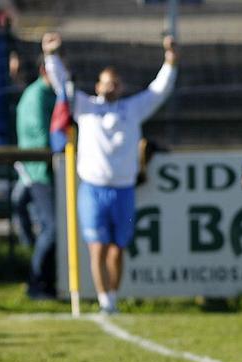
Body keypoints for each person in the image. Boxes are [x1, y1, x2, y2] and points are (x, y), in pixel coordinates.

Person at [42, 32, 178, 313]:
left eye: (115, 83)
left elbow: (158, 90)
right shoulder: (85, 107)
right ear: (98, 85)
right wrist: (51, 54)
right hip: (92, 188)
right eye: (106, 82)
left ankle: (113, 298)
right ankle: (105, 301)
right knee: (97, 248)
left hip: (124, 189)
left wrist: (171, 62)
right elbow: (61, 86)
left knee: (117, 249)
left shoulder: (132, 109)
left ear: (121, 86)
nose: (110, 87)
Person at [15, 54, 58, 299]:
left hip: (44, 172)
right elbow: (41, 140)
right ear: (44, 69)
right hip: (38, 173)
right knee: (51, 229)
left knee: (51, 230)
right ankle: (36, 283)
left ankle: (46, 283)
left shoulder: (50, 94)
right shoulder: (37, 96)